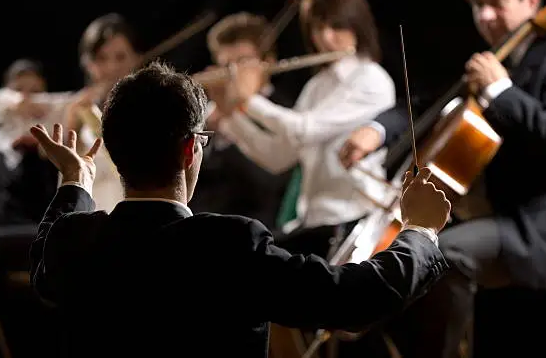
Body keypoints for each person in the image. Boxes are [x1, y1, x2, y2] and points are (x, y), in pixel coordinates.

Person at [28, 61, 451, 358]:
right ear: (191, 148)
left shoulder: (74, 242)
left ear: (116, 153)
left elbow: (47, 246)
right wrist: (419, 230)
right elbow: (352, 301)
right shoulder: (229, 243)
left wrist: (74, 180)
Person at [345, 0, 546, 357]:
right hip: (486, 213)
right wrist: (377, 128)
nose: (486, 16)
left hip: (544, 224)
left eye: (497, 3)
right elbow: (428, 103)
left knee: (441, 255)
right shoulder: (491, 61)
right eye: (478, 6)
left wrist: (501, 90)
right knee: (401, 254)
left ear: (531, 0)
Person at [210, 0, 397, 259]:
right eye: (318, 28)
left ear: (357, 23)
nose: (326, 38)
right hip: (314, 220)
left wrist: (249, 100)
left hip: (353, 220)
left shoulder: (371, 79)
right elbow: (279, 156)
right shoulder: (316, 86)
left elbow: (303, 130)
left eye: (337, 26)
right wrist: (231, 115)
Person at [191, 12, 295, 228]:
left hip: (256, 233)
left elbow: (271, 184)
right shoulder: (208, 114)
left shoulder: (285, 111)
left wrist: (231, 119)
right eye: (226, 65)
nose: (232, 74)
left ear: (268, 61)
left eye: (242, 62)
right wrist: (208, 129)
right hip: (201, 228)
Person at [64, 13, 142, 213]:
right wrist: (71, 128)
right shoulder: (76, 108)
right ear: (88, 63)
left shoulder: (148, 108)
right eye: (101, 59)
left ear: (136, 58)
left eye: (121, 57)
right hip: (88, 220)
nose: (112, 67)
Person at [0, 59, 61, 225]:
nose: (27, 101)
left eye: (35, 92)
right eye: (18, 91)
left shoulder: (57, 142)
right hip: (0, 234)